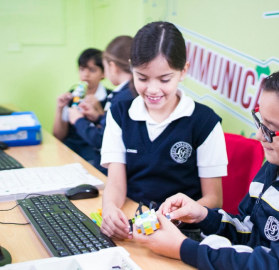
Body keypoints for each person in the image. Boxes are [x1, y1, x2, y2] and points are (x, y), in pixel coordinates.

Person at [134, 62, 279, 270]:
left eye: (270, 128)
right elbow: (249, 232)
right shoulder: (278, 164)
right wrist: (203, 216)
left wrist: (182, 248)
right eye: (259, 121)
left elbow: (274, 265)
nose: (258, 135)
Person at [100, 22, 228, 240]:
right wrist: (110, 208)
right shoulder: (120, 114)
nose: (152, 89)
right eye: (142, 77)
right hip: (134, 223)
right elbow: (115, 182)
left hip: (183, 232)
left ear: (183, 71)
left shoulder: (204, 121)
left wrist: (171, 218)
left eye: (164, 79)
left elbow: (213, 199)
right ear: (131, 68)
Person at [68, 36, 136, 175]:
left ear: (112, 67)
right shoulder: (131, 92)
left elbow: (102, 140)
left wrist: (78, 120)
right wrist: (98, 117)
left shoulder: (121, 98)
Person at [52, 48, 111, 171]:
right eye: (82, 69)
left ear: (104, 73)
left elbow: (109, 136)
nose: (86, 75)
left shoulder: (110, 97)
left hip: (93, 149)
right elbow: (58, 136)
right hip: (71, 147)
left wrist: (99, 111)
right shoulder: (72, 95)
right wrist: (59, 108)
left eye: (92, 70)